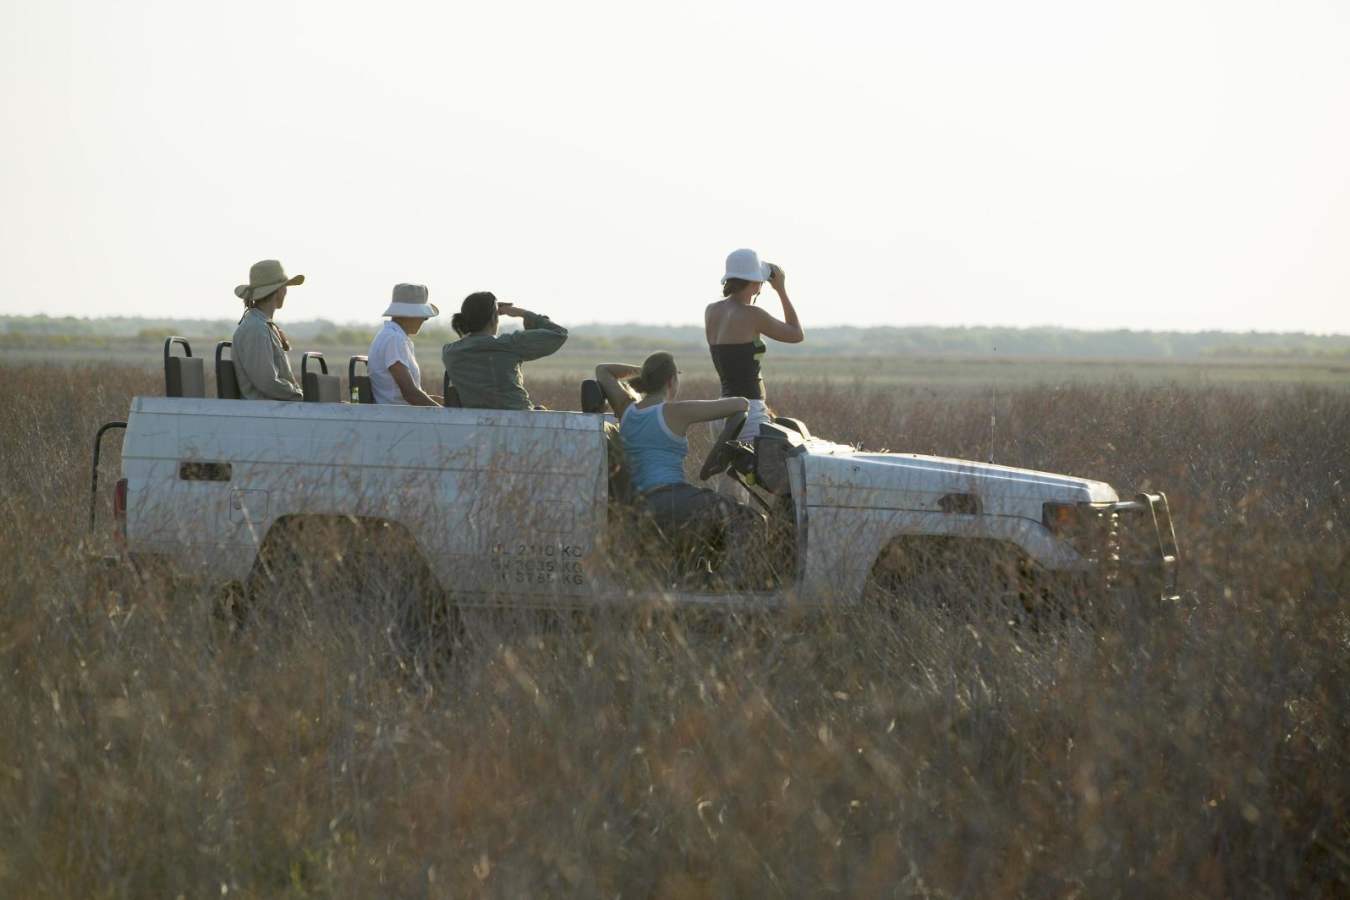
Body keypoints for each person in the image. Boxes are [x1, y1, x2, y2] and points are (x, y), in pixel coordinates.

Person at [594, 352, 766, 585]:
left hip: (640, 506)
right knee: (750, 520)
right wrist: (649, 374)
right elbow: (742, 404)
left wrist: (644, 373)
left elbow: (602, 370)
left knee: (711, 525)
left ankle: (701, 580)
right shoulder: (675, 411)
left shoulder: (626, 409)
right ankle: (729, 584)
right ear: (671, 381)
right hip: (672, 499)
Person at [704, 248, 804, 440]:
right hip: (747, 413)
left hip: (721, 411)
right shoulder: (752, 314)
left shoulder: (711, 311)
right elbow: (796, 334)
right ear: (755, 282)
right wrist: (781, 289)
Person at [442, 291, 567, 410]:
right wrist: (521, 313)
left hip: (474, 421)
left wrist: (490, 311)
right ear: (494, 319)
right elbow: (559, 334)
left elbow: (469, 342)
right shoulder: (509, 344)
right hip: (519, 418)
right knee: (541, 409)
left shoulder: (449, 353)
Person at [232, 259, 304, 401]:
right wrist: (300, 395)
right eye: (285, 286)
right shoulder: (256, 329)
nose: (286, 291)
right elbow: (268, 383)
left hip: (273, 408)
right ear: (279, 291)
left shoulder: (262, 326)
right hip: (266, 410)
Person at [367, 283, 443, 406]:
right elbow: (410, 394)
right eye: (424, 316)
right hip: (398, 414)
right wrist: (442, 413)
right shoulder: (394, 339)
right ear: (411, 314)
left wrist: (441, 403)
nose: (424, 320)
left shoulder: (393, 336)